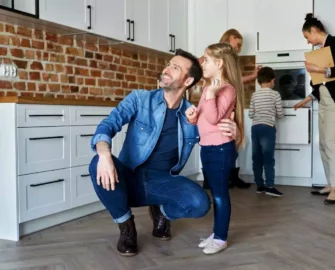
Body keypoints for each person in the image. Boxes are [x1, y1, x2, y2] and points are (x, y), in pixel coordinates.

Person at [88, 49, 241, 257]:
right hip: (128, 176)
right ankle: (126, 227)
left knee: (200, 203)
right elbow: (109, 124)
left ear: (187, 81)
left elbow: (215, 134)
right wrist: (105, 154)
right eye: (169, 64)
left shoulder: (192, 115)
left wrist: (236, 131)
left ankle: (161, 211)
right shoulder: (140, 99)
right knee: (97, 161)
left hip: (162, 183)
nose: (166, 69)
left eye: (175, 68)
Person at [186, 43, 244, 255]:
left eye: (206, 60)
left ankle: (221, 237)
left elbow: (213, 116)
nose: (203, 63)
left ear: (219, 63)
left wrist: (210, 93)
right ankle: (216, 232)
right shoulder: (210, 88)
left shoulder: (227, 89)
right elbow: (203, 116)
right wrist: (192, 117)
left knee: (220, 195)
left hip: (221, 149)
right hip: (208, 147)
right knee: (215, 192)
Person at [294, 13, 335, 205]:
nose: (308, 42)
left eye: (307, 37)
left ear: (314, 31)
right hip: (324, 102)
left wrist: (317, 69)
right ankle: (331, 184)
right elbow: (321, 84)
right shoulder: (320, 51)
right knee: (323, 144)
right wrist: (306, 99)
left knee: (331, 143)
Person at [199, 28, 261, 190]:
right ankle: (219, 177)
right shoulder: (212, 58)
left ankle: (227, 176)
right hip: (208, 136)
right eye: (237, 44)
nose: (239, 48)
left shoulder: (228, 87)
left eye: (241, 46)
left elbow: (234, 81)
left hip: (219, 139)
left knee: (230, 138)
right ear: (227, 40)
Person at [249, 67, 284, 197]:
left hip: (255, 128)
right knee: (268, 157)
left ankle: (260, 185)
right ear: (272, 80)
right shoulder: (275, 94)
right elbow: (280, 114)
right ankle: (270, 186)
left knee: (256, 157)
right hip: (268, 128)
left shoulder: (254, 94)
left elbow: (251, 114)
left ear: (258, 81)